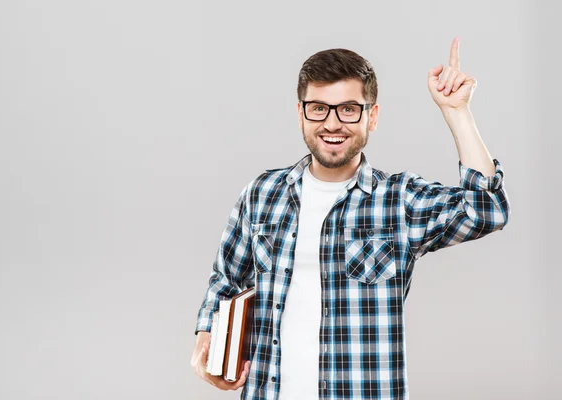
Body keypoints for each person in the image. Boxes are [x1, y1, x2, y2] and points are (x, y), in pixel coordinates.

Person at [190, 36, 510, 400]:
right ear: (300, 114)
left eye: (348, 109)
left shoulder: (398, 201)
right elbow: (225, 280)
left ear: (371, 117)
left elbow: (488, 210)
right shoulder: (261, 194)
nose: (332, 123)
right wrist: (206, 340)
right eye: (318, 108)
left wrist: (457, 112)